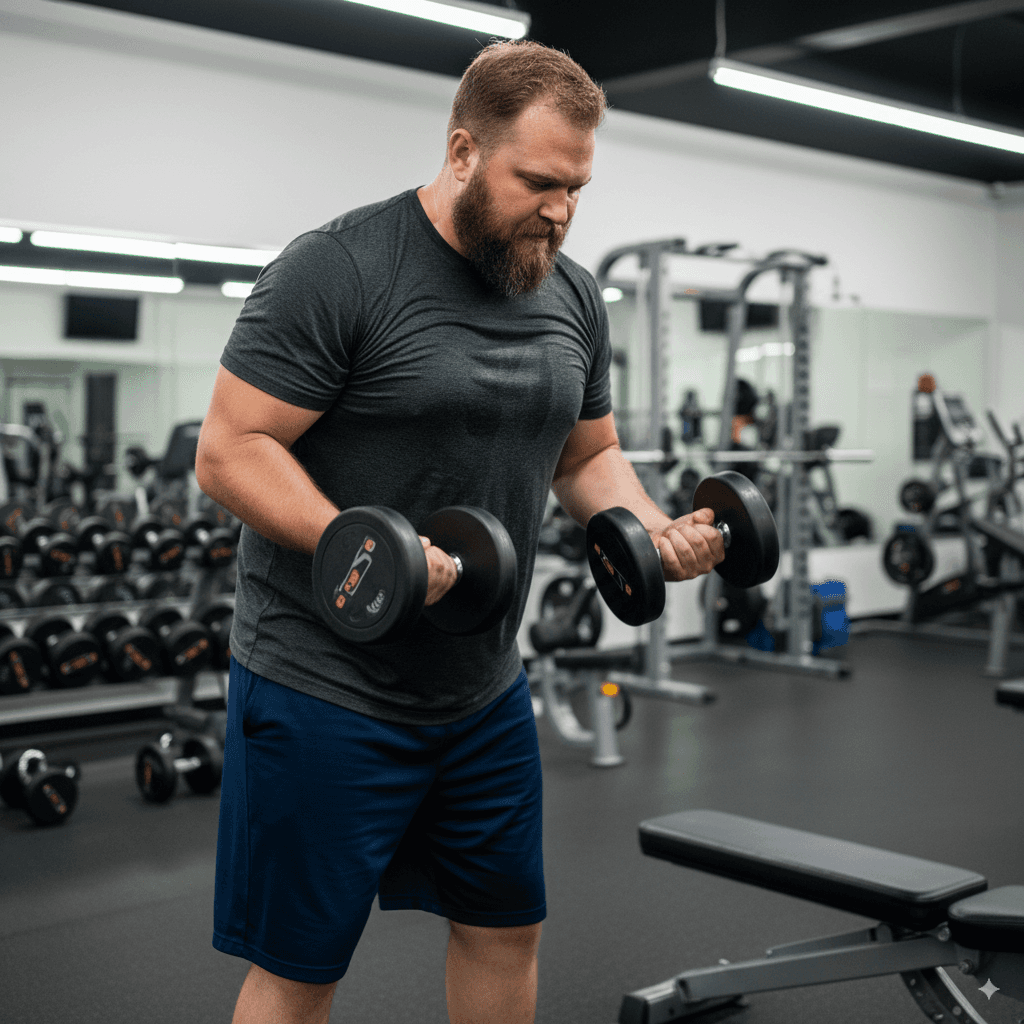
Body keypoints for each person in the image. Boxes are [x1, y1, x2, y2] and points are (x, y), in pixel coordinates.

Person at [195, 39, 724, 1024]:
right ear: (463, 151)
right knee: (301, 966)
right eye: (539, 183)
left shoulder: (571, 294)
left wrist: (654, 530)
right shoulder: (339, 268)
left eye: (577, 188)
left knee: (503, 928)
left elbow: (586, 456)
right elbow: (230, 449)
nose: (560, 211)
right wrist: (366, 545)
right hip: (324, 681)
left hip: (480, 687)